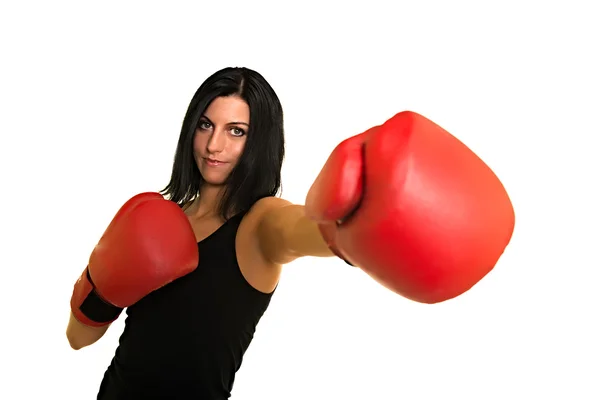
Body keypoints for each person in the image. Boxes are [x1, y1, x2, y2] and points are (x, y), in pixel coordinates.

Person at [66, 67, 515, 399]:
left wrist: (360, 208)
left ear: (258, 143)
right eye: (206, 125)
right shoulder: (157, 216)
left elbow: (308, 228)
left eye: (236, 131)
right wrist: (102, 281)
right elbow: (77, 339)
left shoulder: (261, 224)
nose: (214, 145)